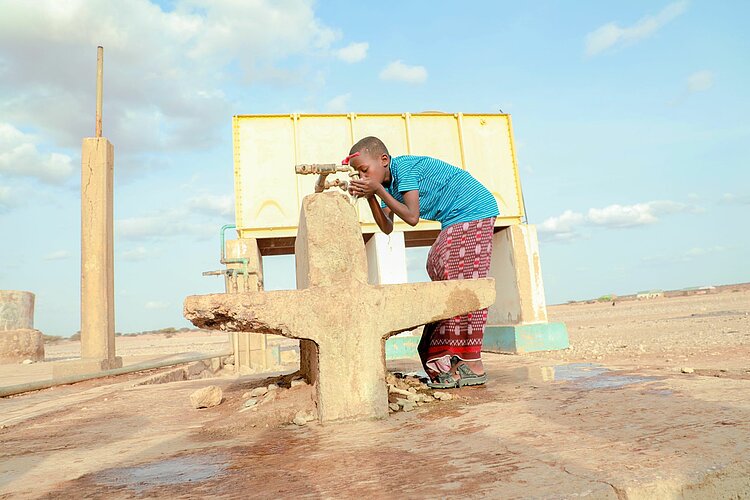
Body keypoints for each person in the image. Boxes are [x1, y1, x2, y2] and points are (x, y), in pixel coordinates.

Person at [346, 136, 499, 389]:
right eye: (358, 173)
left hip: (473, 208)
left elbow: (412, 217)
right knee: (437, 263)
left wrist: (378, 190)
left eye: (364, 170)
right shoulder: (386, 185)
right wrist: (371, 196)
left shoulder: (403, 169)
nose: (362, 176)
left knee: (461, 280)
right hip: (454, 218)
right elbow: (386, 227)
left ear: (384, 160)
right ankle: (446, 356)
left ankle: (472, 362)